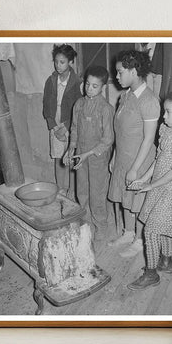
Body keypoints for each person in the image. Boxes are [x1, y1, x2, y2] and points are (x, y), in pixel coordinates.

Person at [108, 49, 160, 254]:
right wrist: (114, 156)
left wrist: (135, 169)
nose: (117, 76)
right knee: (124, 198)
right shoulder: (125, 96)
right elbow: (119, 130)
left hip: (140, 160)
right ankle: (128, 233)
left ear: (133, 71)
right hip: (123, 156)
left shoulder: (149, 101)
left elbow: (148, 139)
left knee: (137, 202)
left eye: (120, 72)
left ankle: (139, 240)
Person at [126, 90, 172, 290]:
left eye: (168, 112)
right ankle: (166, 261)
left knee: (152, 230)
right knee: (161, 226)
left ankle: (151, 273)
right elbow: (158, 160)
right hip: (158, 184)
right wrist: (143, 179)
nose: (163, 117)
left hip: (171, 190)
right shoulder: (166, 130)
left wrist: (151, 185)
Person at [63, 66, 114, 241]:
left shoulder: (105, 109)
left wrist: (89, 153)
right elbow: (74, 129)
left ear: (103, 87)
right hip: (80, 155)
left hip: (97, 158)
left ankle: (101, 226)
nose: (89, 88)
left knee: (97, 194)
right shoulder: (79, 104)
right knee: (82, 190)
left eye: (95, 86)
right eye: (87, 84)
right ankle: (84, 222)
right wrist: (71, 149)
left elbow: (108, 140)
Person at [43, 44, 82, 191]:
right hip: (55, 125)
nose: (58, 65)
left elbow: (78, 109)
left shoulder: (77, 83)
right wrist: (53, 126)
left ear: (71, 62)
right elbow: (46, 105)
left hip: (71, 126)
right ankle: (60, 189)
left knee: (71, 158)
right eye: (56, 61)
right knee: (59, 159)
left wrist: (65, 127)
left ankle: (72, 192)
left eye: (62, 62)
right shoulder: (51, 81)